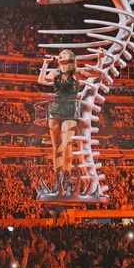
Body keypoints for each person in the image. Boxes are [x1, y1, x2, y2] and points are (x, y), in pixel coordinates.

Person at [38, 49, 80, 192]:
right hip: (55, 109)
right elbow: (41, 80)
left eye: (65, 53)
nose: (61, 54)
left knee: (67, 144)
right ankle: (58, 179)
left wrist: (100, 59)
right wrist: (45, 63)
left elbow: (96, 74)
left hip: (70, 110)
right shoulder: (56, 73)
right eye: (60, 53)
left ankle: (67, 178)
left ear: (71, 58)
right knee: (57, 147)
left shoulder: (76, 73)